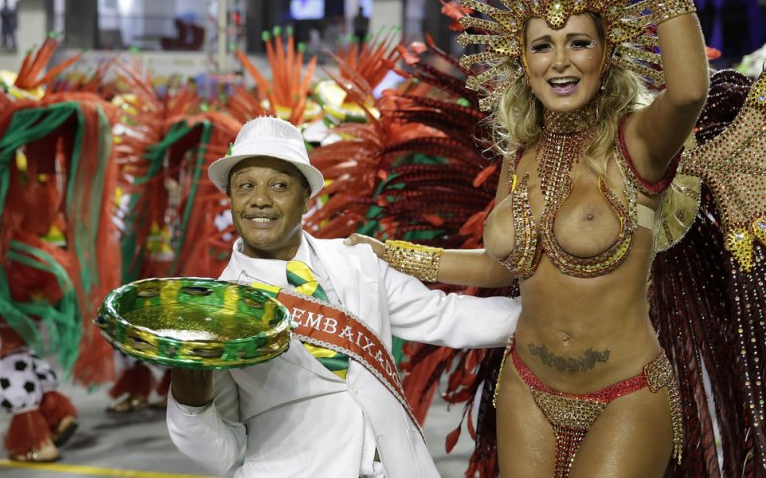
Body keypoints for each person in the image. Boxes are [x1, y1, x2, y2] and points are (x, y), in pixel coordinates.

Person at [348, 0, 705, 477]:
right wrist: (394, 255)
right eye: (542, 45)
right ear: (523, 61)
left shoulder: (637, 144)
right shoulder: (520, 158)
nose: (560, 61)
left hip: (626, 396)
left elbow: (687, 91)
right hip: (527, 390)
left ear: (606, 52)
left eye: (578, 43)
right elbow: (502, 263)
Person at [165, 115, 521, 477]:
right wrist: (190, 404)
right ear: (230, 198)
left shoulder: (359, 260)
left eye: (278, 185)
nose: (259, 200)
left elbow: (445, 315)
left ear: (306, 198)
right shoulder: (217, 310)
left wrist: (558, 317)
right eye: (245, 186)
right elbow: (220, 454)